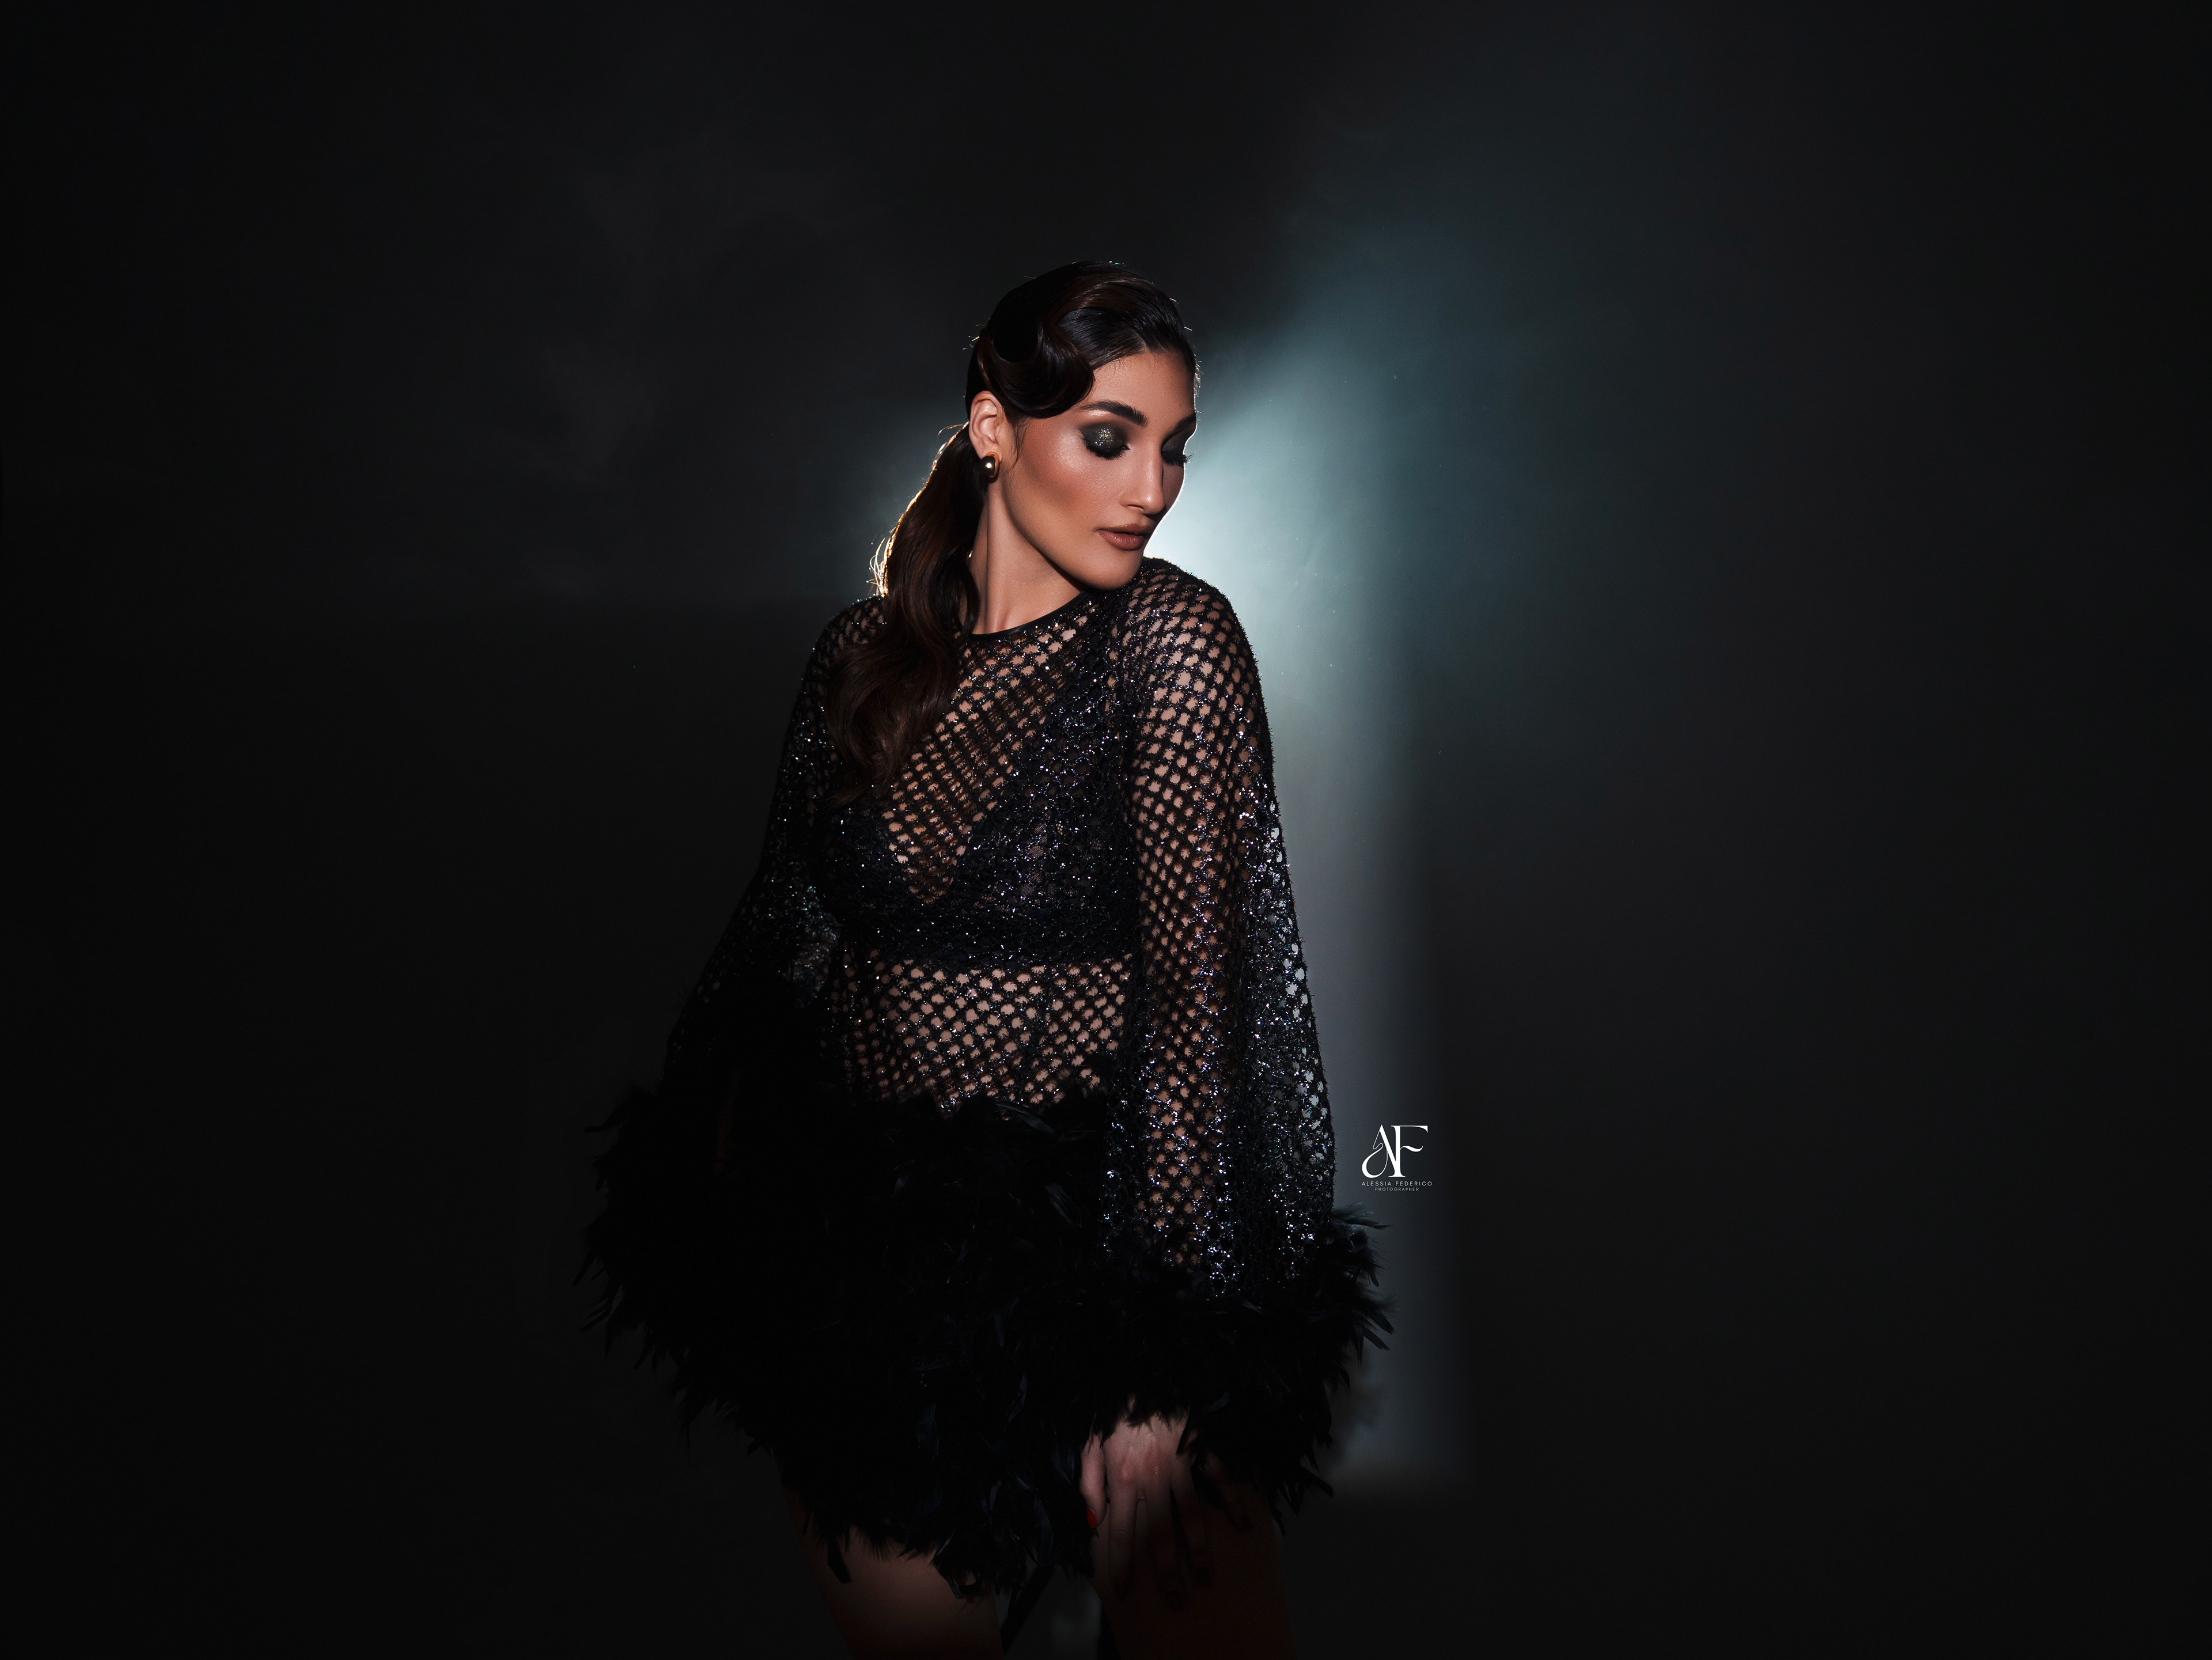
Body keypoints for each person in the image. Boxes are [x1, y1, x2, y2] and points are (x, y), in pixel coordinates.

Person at [584, 262, 1389, 1658]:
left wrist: (1166, 1365)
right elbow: (788, 933)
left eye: (1174, 447)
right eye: (1110, 438)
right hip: (868, 1275)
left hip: (1106, 1248)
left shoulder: (1170, 645)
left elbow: (1210, 1007)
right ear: (994, 430)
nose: (1152, 487)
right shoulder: (859, 656)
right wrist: (714, 1183)